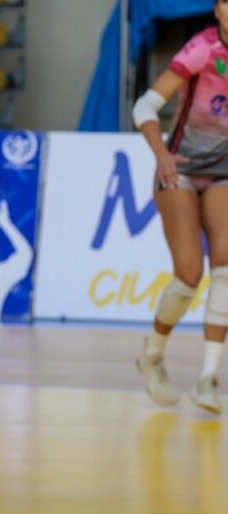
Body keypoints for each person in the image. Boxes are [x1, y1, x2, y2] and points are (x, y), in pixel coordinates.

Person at [133, 0, 228, 415]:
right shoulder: (202, 49)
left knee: (226, 265)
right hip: (181, 168)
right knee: (189, 272)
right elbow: (144, 106)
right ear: (218, 8)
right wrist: (162, 155)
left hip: (224, 172)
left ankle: (208, 379)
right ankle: (152, 353)